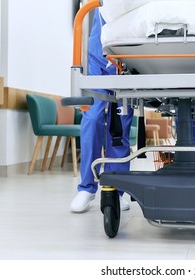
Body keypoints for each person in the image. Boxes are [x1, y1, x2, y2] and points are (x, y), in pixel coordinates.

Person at [70, 9, 134, 213]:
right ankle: (87, 188)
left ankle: (117, 189)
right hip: (97, 57)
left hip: (127, 58)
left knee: (120, 126)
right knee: (92, 118)